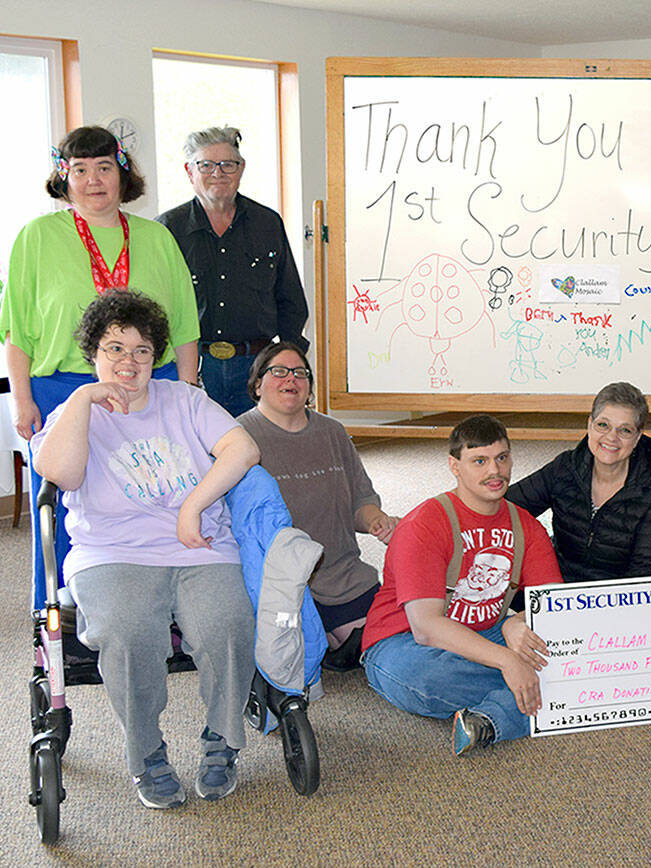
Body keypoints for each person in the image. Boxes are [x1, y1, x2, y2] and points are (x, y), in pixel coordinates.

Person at [31, 291, 258, 809]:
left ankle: (221, 741)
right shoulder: (75, 409)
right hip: (112, 551)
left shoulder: (183, 399)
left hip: (196, 544)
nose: (127, 362)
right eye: (114, 348)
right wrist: (85, 402)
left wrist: (191, 507)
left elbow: (243, 448)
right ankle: (147, 754)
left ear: (155, 355)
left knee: (228, 624)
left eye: (140, 349)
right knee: (127, 632)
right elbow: (62, 475)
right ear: (93, 352)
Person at [2, 125, 200, 602]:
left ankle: (163, 600)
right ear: (63, 178)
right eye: (80, 170)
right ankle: (58, 610)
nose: (93, 180)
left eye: (104, 168)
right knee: (64, 505)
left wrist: (189, 391)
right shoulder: (37, 236)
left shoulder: (156, 238)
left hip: (147, 386)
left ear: (122, 174)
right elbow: (16, 326)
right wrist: (21, 400)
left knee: (154, 493)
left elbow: (185, 324)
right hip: (62, 389)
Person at [361, 415, 561, 755]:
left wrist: (517, 622)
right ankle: (541, 691)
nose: (494, 471)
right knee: (427, 676)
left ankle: (489, 719)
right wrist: (508, 661)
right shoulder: (423, 525)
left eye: (502, 458)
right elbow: (426, 628)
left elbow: (554, 604)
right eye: (479, 461)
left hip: (487, 630)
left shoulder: (526, 527)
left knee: (562, 644)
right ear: (454, 466)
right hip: (403, 643)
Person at [237, 340, 398, 668]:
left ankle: (332, 639)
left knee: (384, 640)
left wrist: (376, 520)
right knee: (294, 659)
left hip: (341, 573)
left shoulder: (332, 432)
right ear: (257, 384)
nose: (290, 379)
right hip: (279, 584)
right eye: (278, 372)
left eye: (299, 373)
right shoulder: (238, 436)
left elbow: (361, 501)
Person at [157, 126, 308, 417]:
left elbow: (290, 299)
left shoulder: (267, 223)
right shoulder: (167, 229)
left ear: (241, 169)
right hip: (194, 366)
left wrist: (287, 364)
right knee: (200, 453)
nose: (218, 173)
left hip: (257, 365)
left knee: (260, 448)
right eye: (206, 165)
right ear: (190, 172)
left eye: (228, 164)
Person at [506, 381, 651, 582]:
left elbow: (646, 568)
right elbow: (508, 508)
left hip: (614, 596)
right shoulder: (565, 467)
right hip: (557, 582)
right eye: (603, 425)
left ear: (637, 437)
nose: (611, 437)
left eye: (625, 430)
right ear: (589, 425)